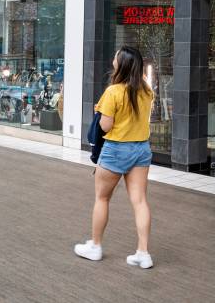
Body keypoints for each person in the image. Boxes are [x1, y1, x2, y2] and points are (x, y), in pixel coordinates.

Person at [74, 46, 155, 269]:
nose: (113, 59)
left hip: (116, 149)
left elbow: (106, 125)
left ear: (123, 63)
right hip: (141, 149)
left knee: (102, 198)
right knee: (140, 201)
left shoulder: (113, 92)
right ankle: (143, 252)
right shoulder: (147, 90)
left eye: (116, 56)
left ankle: (95, 246)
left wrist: (100, 114)